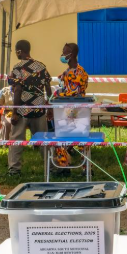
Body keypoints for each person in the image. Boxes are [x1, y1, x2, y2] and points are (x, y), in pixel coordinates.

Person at [7, 40, 52, 177]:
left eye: (16, 50)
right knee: (44, 139)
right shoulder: (41, 66)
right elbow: (48, 89)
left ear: (19, 51)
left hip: (22, 111)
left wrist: (14, 112)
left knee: (16, 139)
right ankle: (51, 166)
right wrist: (49, 107)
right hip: (39, 109)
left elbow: (18, 90)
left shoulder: (17, 68)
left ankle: (14, 170)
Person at [53, 43, 89, 175]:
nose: (62, 55)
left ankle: (86, 169)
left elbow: (73, 94)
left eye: (65, 52)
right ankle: (64, 166)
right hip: (65, 111)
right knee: (59, 140)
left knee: (81, 143)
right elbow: (65, 87)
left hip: (78, 112)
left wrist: (57, 94)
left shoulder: (79, 72)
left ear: (72, 54)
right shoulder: (67, 71)